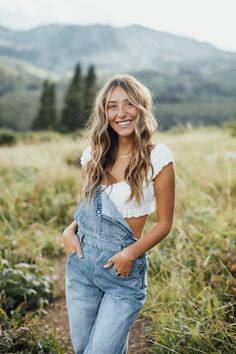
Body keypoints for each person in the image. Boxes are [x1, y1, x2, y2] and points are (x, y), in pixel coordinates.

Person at [63, 73, 175, 354]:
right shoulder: (93, 154)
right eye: (112, 106)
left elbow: (164, 224)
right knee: (84, 349)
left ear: (141, 108)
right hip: (82, 266)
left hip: (122, 273)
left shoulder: (157, 157)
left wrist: (129, 254)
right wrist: (70, 229)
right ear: (104, 112)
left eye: (128, 104)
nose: (121, 113)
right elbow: (94, 207)